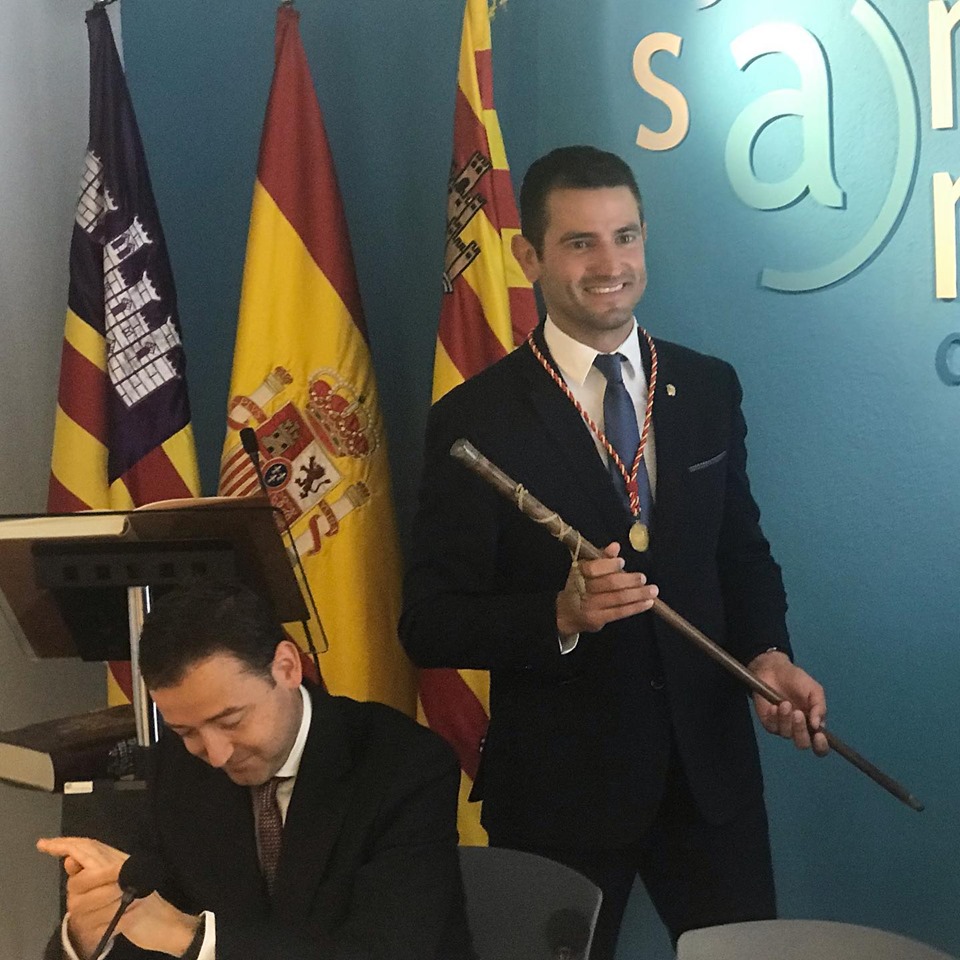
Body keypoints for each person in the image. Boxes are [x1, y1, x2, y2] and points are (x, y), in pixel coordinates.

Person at [400, 144, 829, 960]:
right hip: (560, 795)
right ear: (529, 256)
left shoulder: (707, 387)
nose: (610, 265)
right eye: (580, 243)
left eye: (625, 237)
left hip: (710, 781)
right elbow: (428, 622)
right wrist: (559, 616)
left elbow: (740, 554)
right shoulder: (475, 419)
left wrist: (768, 655)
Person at [39, 580, 475, 960]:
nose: (216, 754)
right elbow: (148, 924)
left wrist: (191, 935)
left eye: (231, 720)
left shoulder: (402, 763)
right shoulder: (178, 765)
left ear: (286, 667)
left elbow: (384, 952)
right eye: (186, 730)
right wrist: (91, 934)